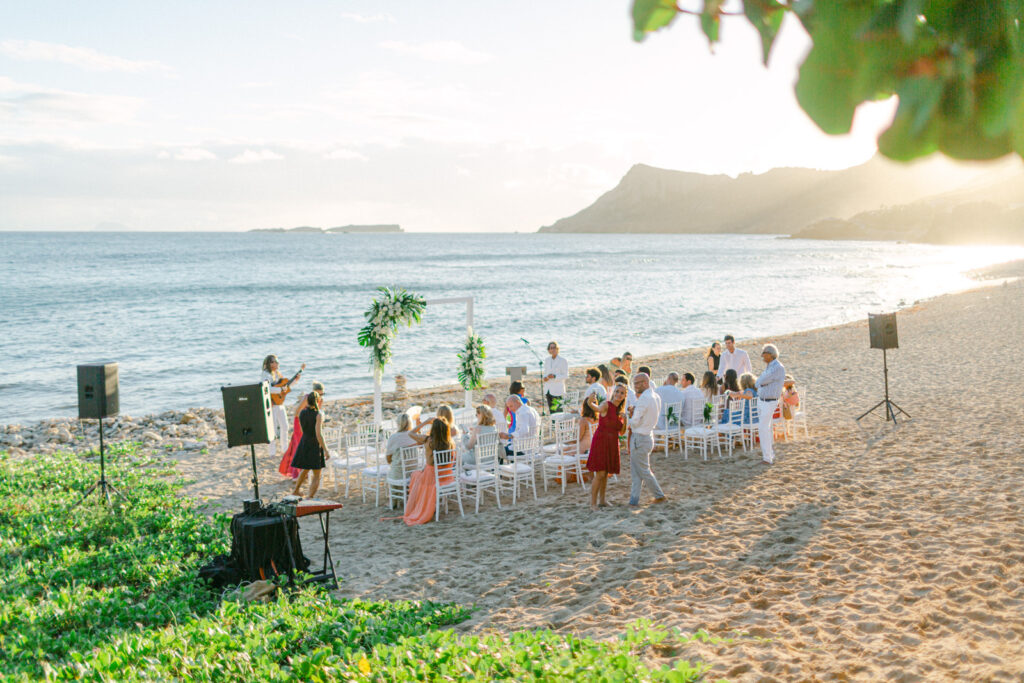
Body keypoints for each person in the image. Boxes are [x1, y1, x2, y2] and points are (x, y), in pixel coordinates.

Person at [403, 419, 456, 525]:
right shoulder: (450, 442)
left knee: (415, 475)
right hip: (446, 477)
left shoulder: (428, 440)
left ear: (433, 429)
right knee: (419, 474)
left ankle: (419, 504)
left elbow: (410, 433)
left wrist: (425, 422)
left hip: (431, 477)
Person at [626, 373, 666, 507]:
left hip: (639, 438)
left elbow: (635, 422)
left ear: (645, 383)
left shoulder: (644, 398)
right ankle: (633, 500)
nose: (635, 386)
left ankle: (659, 495)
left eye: (637, 383)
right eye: (634, 383)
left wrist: (627, 417)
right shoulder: (655, 396)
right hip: (648, 435)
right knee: (636, 472)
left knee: (643, 470)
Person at [585, 385, 627, 511]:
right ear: (613, 393)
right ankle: (593, 504)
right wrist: (589, 401)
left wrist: (625, 421)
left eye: (622, 393)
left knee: (606, 472)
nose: (619, 394)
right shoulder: (606, 405)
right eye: (617, 392)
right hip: (601, 441)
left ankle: (602, 500)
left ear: (625, 396)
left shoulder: (620, 412)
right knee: (600, 473)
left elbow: (622, 432)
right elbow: (596, 408)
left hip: (612, 442)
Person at [278, 381, 324, 479]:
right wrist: (301, 426)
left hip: (311, 422)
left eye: (321, 394)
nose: (320, 396)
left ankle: (304, 471)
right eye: (318, 393)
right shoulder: (307, 398)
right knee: (299, 445)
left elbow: (316, 412)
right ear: (314, 392)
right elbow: (297, 412)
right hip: (300, 421)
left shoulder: (321, 400)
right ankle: (295, 474)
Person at [261, 355, 304, 457]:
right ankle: (272, 452)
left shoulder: (277, 373)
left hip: (280, 404)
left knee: (285, 426)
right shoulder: (265, 374)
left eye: (276, 362)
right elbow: (267, 389)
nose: (274, 364)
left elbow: (285, 385)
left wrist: (295, 380)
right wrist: (280, 390)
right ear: (268, 364)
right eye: (272, 362)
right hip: (271, 404)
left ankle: (284, 449)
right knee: (273, 429)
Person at [290, 391, 328, 499]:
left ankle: (296, 490)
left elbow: (303, 430)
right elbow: (318, 434)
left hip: (304, 442)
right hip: (314, 445)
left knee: (305, 469)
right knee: (317, 474)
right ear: (317, 401)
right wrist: (326, 450)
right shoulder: (318, 415)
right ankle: (310, 496)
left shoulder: (302, 413)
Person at [754, 344, 785, 465]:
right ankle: (769, 454)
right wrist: (761, 383)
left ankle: (767, 458)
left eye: (764, 353)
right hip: (762, 400)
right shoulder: (769, 366)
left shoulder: (777, 367)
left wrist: (761, 383)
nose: (762, 356)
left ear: (770, 354)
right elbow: (759, 382)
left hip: (769, 401)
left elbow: (761, 381)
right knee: (766, 429)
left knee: (763, 428)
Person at [385, 412, 429, 482]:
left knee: (391, 471)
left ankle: (397, 492)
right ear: (410, 423)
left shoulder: (393, 437)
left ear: (398, 424)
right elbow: (421, 445)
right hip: (413, 473)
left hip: (398, 475)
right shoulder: (414, 436)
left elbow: (388, 460)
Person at [499, 394, 539, 460]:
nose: (510, 409)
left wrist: (509, 436)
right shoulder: (532, 409)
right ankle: (514, 467)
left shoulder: (522, 413)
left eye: (511, 406)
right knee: (507, 445)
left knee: (498, 450)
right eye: (509, 407)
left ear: (518, 402)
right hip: (533, 446)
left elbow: (525, 430)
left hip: (524, 449)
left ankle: (499, 470)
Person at [542, 341, 569, 413]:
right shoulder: (547, 360)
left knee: (559, 412)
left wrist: (555, 376)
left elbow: (566, 375)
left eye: (554, 348)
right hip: (548, 389)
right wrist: (545, 377)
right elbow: (545, 373)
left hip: (558, 390)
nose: (553, 349)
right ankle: (553, 424)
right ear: (549, 350)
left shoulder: (563, 360)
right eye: (551, 348)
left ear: (557, 349)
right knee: (552, 412)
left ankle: (560, 424)